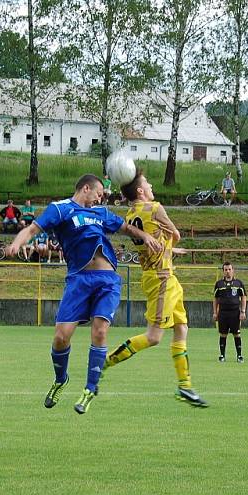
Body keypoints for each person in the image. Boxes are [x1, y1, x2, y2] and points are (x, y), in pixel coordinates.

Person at [4, 173, 161, 415]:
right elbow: (34, 229)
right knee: (61, 337)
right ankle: (60, 379)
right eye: (98, 194)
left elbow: (126, 228)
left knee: (100, 330)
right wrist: (17, 243)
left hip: (107, 281)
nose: (100, 198)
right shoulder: (61, 209)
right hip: (78, 280)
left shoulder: (101, 213)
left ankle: (90, 389)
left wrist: (146, 236)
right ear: (85, 188)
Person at [102, 169, 209, 408]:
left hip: (161, 276)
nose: (151, 186)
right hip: (161, 278)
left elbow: (151, 242)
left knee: (182, 328)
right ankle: (105, 362)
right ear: (140, 190)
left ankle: (185, 386)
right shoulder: (155, 208)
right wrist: (171, 245)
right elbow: (177, 235)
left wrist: (168, 250)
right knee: (154, 337)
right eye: (147, 183)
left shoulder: (131, 214)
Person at [213, 262, 247, 363]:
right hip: (223, 312)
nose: (228, 271)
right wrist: (215, 312)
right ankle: (222, 355)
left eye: (229, 269)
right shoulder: (219, 284)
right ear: (223, 271)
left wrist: (243, 311)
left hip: (235, 312)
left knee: (236, 334)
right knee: (223, 334)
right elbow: (215, 298)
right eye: (225, 270)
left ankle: (239, 355)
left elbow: (243, 297)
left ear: (233, 270)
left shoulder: (238, 283)